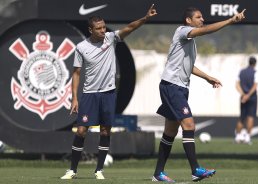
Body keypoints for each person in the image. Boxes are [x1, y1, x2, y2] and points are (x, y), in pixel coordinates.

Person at [60, 4, 157, 180]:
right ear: (91, 30)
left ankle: (99, 170)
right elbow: (76, 74)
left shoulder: (111, 39)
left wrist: (145, 18)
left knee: (105, 131)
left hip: (108, 93)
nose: (103, 31)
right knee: (81, 131)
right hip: (89, 95)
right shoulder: (81, 47)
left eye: (104, 27)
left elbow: (129, 27)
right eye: (99, 28)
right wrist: (74, 98)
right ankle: (72, 170)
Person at [152, 7, 246, 183]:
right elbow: (206, 30)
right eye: (198, 17)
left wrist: (208, 77)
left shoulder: (190, 42)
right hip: (172, 86)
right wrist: (229, 21)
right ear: (188, 20)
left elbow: (189, 66)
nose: (202, 19)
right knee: (189, 125)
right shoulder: (182, 31)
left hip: (178, 87)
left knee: (170, 131)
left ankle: (158, 173)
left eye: (202, 17)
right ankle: (195, 170)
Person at [234, 56, 258, 144]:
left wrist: (243, 94)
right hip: (252, 97)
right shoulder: (255, 72)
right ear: (255, 63)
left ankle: (237, 137)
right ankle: (247, 137)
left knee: (242, 117)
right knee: (250, 117)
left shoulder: (242, 72)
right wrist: (248, 95)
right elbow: (255, 86)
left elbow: (237, 84)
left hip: (243, 97)